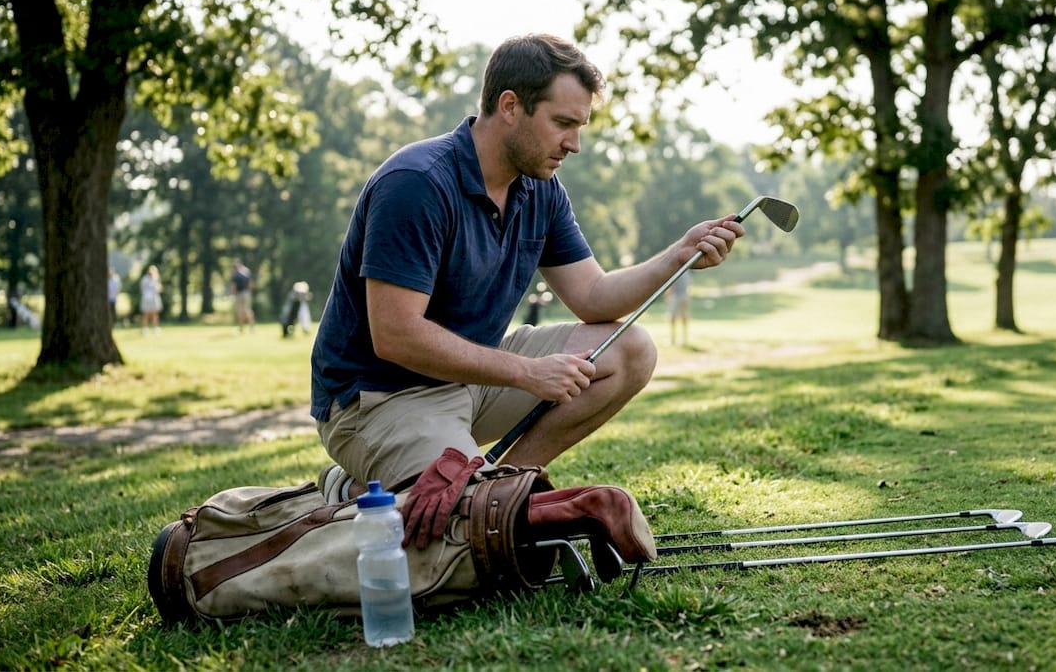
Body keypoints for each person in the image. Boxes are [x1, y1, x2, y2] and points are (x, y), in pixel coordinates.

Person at [310, 34, 747, 493]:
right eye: (562, 122)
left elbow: (592, 297)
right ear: (511, 106)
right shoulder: (416, 183)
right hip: (381, 398)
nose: (574, 144)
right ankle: (356, 489)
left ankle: (504, 485)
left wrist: (677, 256)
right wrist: (527, 372)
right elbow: (396, 335)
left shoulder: (541, 190)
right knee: (459, 536)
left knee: (630, 350)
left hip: (472, 378)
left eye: (579, 126)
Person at [229, 260, 255, 333]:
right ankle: (251, 327)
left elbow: (233, 287)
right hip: (247, 293)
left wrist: (232, 295)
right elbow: (251, 285)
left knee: (240, 311)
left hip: (239, 294)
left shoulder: (235, 275)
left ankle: (241, 328)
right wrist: (248, 292)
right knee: (248, 310)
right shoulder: (247, 273)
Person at [666, 270, 691, 346]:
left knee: (672, 317)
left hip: (676, 296)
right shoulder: (687, 271)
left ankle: (673, 339)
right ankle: (684, 339)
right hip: (685, 295)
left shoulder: (675, 269)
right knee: (684, 316)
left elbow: (671, 284)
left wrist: (668, 295)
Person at [140, 265, 162, 334]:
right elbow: (142, 288)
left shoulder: (156, 279)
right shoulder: (145, 279)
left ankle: (156, 328)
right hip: (146, 298)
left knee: (155, 313)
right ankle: (145, 328)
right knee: (145, 314)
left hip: (154, 298)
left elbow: (159, 289)